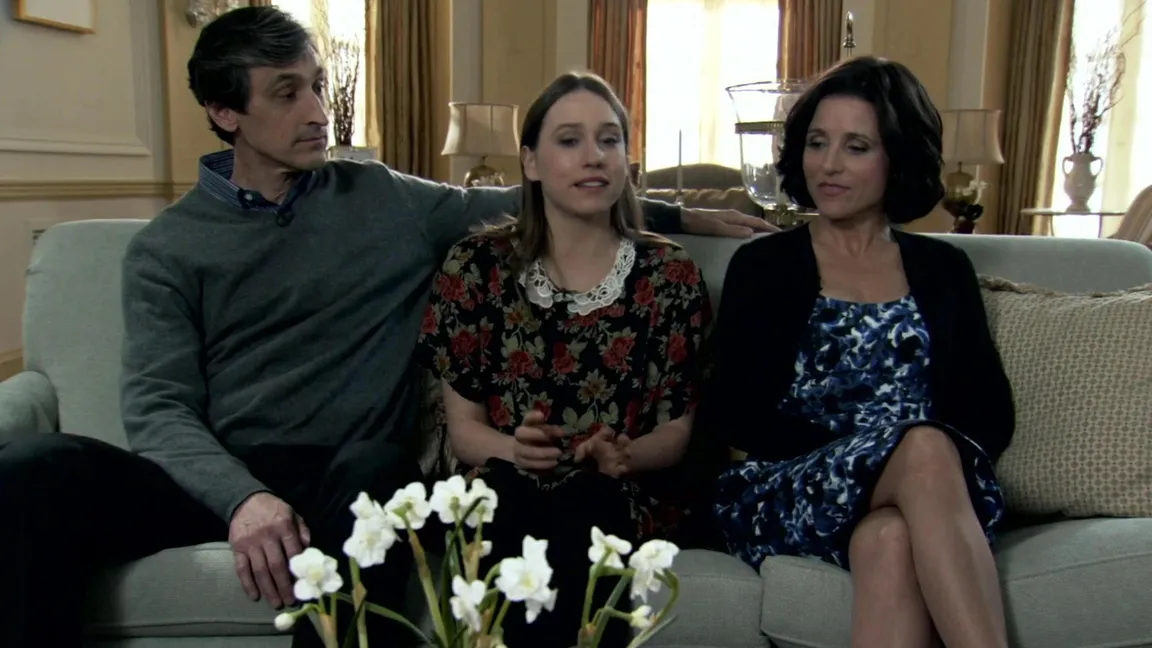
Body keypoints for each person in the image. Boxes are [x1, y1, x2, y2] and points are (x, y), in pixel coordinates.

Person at [0, 6, 772, 648]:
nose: (315, 110)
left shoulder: (380, 198)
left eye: (316, 84)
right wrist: (242, 500)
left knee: (379, 469)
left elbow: (536, 193)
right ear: (225, 113)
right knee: (34, 467)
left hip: (347, 474)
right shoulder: (170, 247)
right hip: (218, 478)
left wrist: (681, 211)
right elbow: (158, 408)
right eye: (286, 93)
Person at [696, 57, 1015, 648]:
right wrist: (875, 456)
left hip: (923, 497)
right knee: (923, 448)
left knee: (889, 538)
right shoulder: (765, 266)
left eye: (856, 147)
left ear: (898, 157)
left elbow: (988, 413)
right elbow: (734, 415)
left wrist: (898, 473)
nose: (829, 164)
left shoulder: (943, 269)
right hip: (787, 487)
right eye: (817, 143)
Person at [418, 71, 711, 647]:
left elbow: (676, 432)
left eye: (609, 140)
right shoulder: (475, 266)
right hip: (502, 479)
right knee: (509, 499)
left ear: (627, 159)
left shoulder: (669, 273)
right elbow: (464, 430)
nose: (593, 156)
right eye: (570, 140)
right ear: (530, 162)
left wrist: (621, 454)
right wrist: (516, 449)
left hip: (619, 492)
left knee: (587, 501)